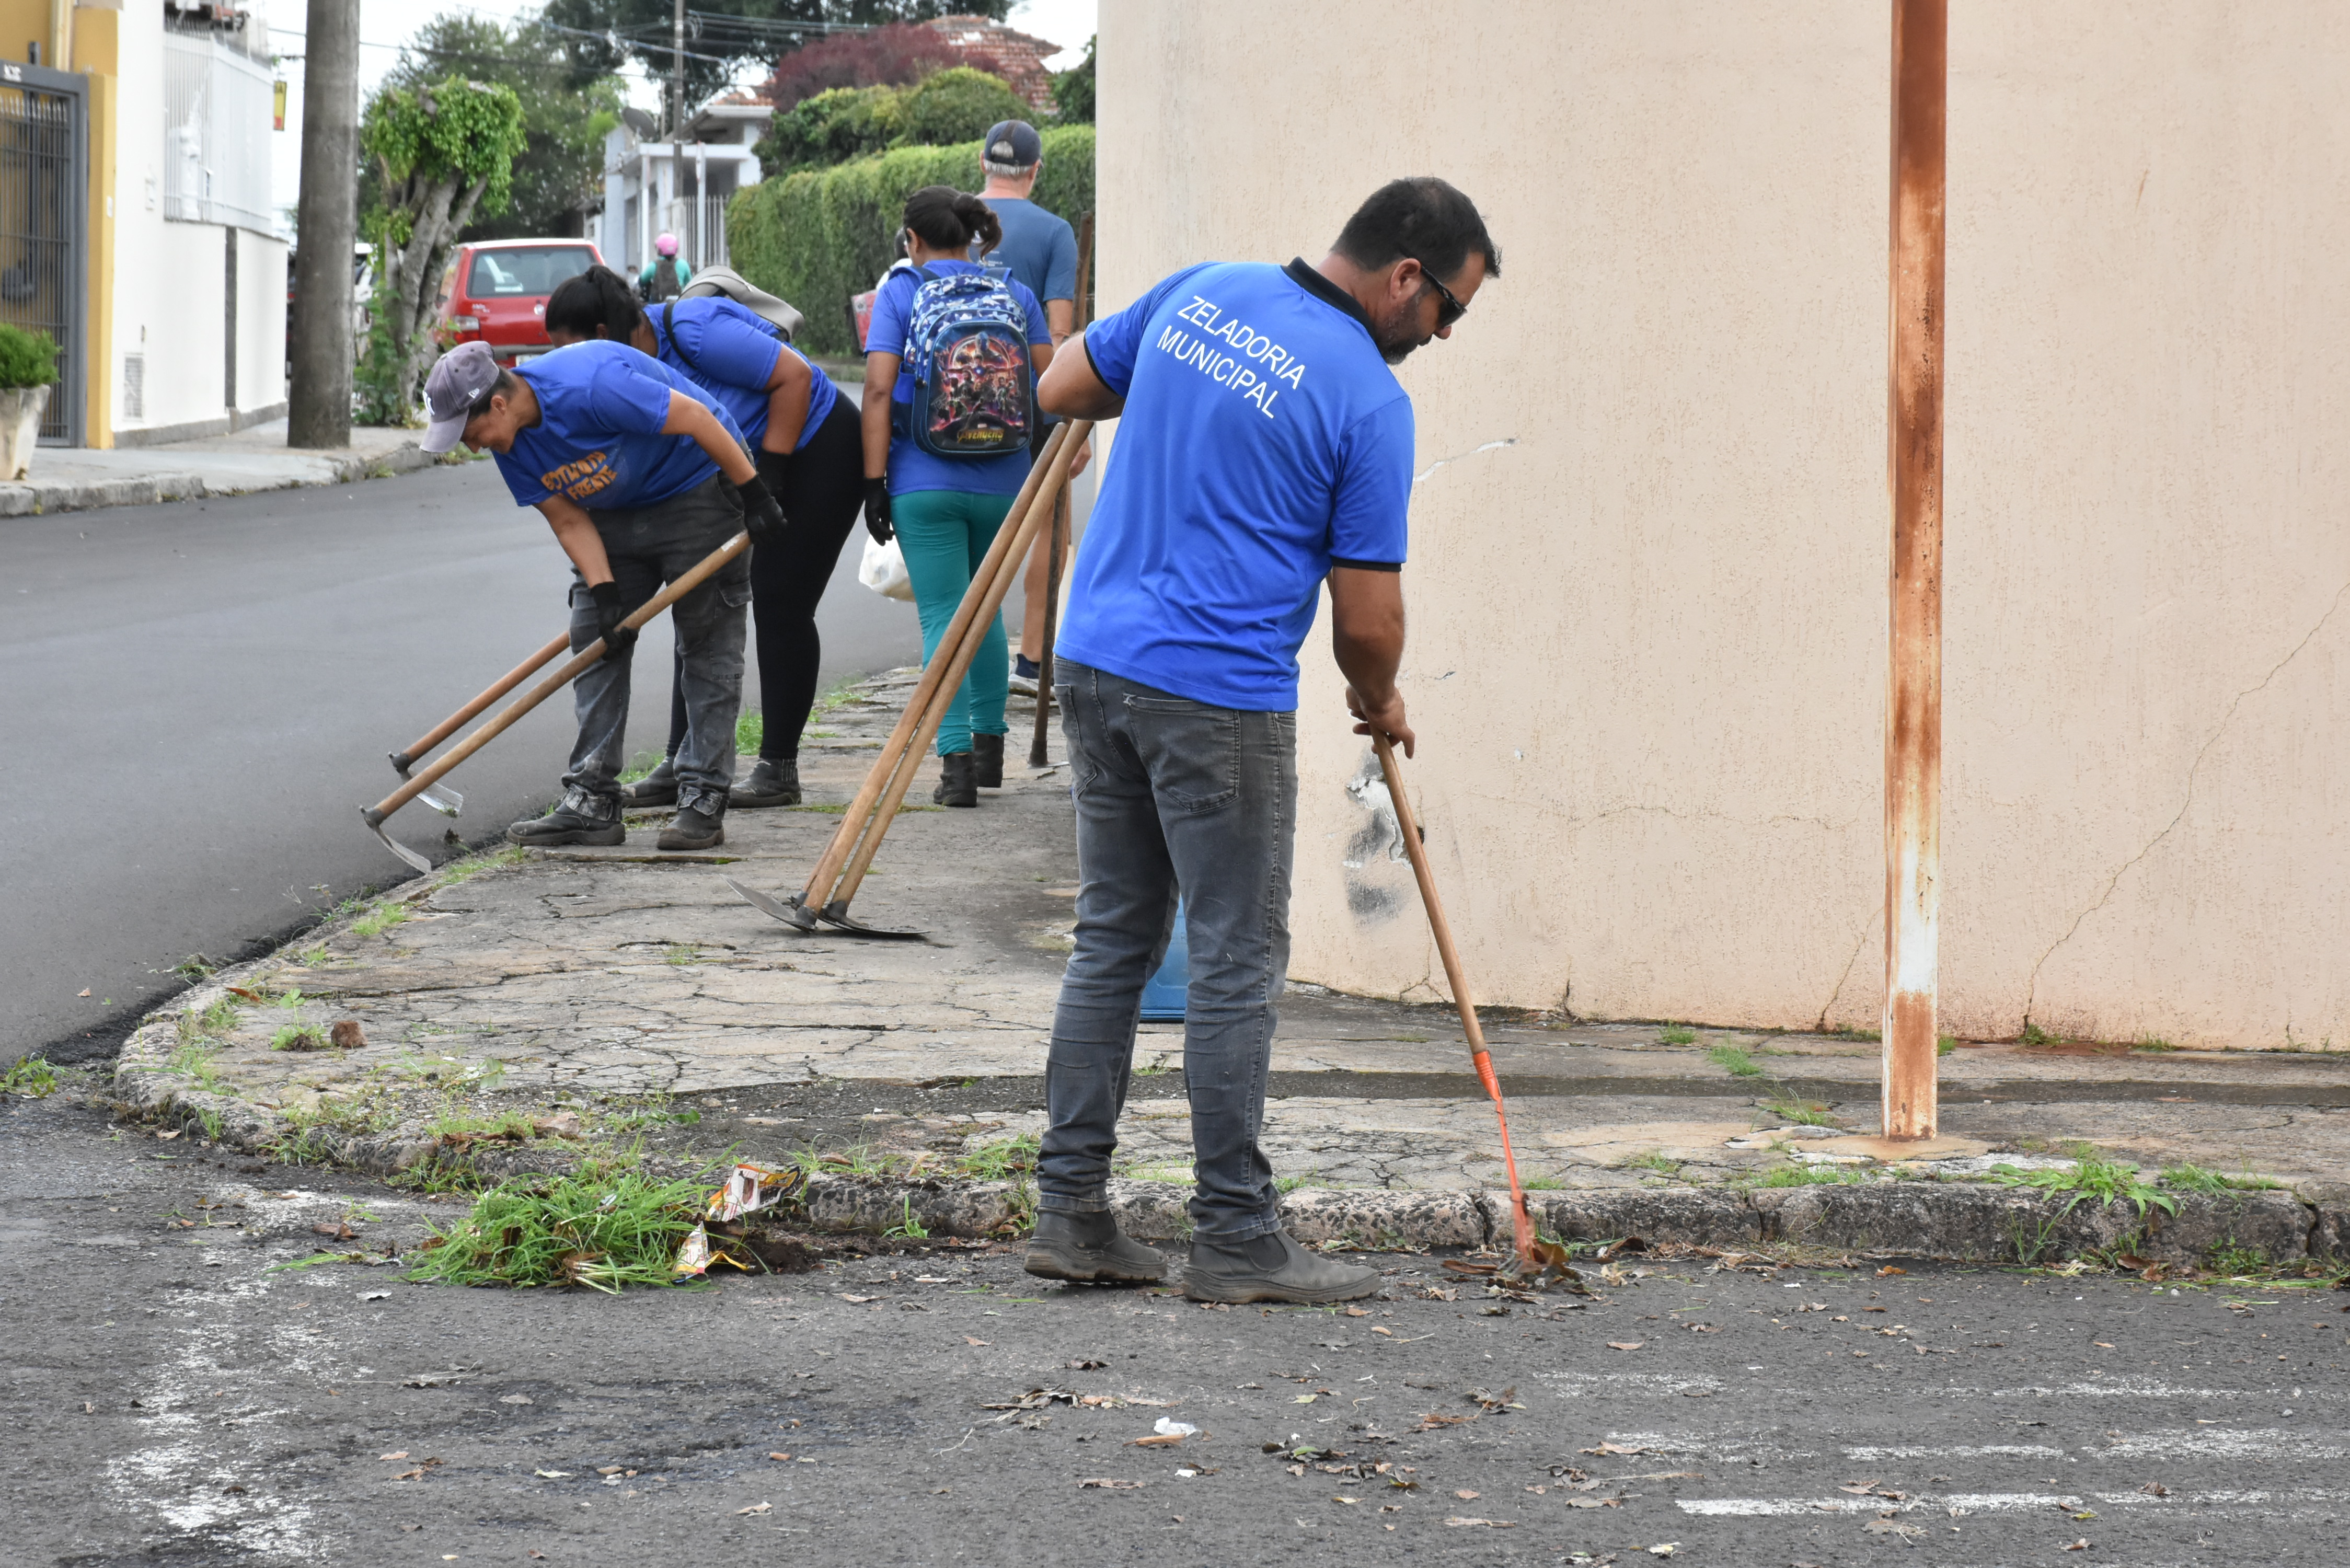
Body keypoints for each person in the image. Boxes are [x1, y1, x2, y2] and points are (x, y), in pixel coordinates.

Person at [1024, 178, 1499, 1304]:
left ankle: (1072, 1213)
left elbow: (1058, 387)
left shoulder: (1200, 293)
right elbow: (1367, 618)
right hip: (1214, 697)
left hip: (1095, 665)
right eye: (1449, 312)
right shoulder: (1370, 401)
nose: (1440, 337)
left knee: (1112, 942)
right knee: (1235, 958)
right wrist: (1378, 700)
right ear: (1403, 278)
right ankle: (1235, 1234)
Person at [417, 337, 785, 851]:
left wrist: (754, 493)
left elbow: (700, 419)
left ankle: (702, 795)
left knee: (706, 641)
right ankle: (592, 803)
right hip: (613, 510)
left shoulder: (590, 386)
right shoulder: (511, 443)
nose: (471, 445)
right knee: (593, 634)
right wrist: (606, 590)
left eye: (469, 432)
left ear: (497, 404)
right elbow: (568, 519)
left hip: (697, 485)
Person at [542, 264, 868, 810]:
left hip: (817, 448)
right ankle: (678, 763)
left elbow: (795, 379)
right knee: (697, 598)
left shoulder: (692, 329)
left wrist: (773, 476)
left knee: (780, 602)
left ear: (601, 334)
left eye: (566, 349)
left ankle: (777, 768)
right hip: (745, 469)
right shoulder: (618, 368)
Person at [861, 185, 1077, 808]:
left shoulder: (901, 292)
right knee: (982, 615)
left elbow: (877, 392)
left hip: (922, 480)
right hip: (1005, 481)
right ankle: (988, 753)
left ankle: (954, 764)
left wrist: (873, 482)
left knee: (942, 616)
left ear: (913, 240)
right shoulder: (1015, 293)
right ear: (971, 236)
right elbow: (1051, 383)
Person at [972, 119, 1082, 695]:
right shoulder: (1054, 232)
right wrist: (1071, 421)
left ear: (981, 164)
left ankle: (961, 658)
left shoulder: (946, 219)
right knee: (1048, 526)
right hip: (1030, 403)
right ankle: (1032, 664)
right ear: (1035, 170)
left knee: (970, 527)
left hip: (950, 403)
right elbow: (1060, 335)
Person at [640, 233, 692, 302]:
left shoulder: (653, 266)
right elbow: (689, 284)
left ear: (659, 249)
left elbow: (642, 281)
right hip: (678, 305)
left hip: (657, 306)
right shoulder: (683, 264)